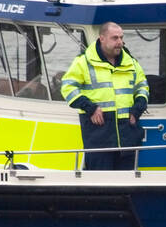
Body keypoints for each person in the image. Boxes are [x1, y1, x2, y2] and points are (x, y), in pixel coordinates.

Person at [61, 22, 148, 170]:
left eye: (121, 38)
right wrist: (91, 108)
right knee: (99, 185)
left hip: (127, 136)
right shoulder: (83, 62)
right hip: (99, 136)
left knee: (127, 185)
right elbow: (67, 88)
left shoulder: (131, 63)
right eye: (115, 38)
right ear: (102, 39)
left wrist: (138, 108)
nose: (120, 42)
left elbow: (142, 87)